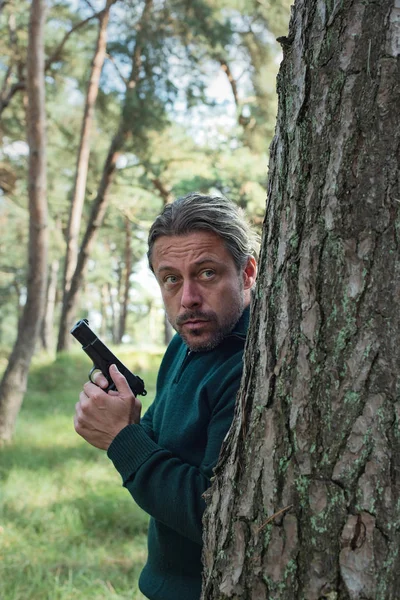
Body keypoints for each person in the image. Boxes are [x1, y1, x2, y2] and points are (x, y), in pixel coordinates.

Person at [74, 192, 258, 600]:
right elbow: (159, 436)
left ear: (247, 272)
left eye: (206, 273)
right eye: (171, 279)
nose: (188, 299)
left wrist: (121, 439)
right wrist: (123, 417)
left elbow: (214, 517)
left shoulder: (251, 365)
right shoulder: (188, 341)